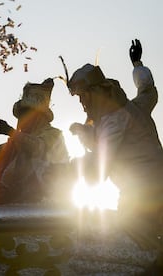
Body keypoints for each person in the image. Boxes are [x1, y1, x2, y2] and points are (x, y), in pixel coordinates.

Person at [68, 39, 163, 254]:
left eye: (83, 96)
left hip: (142, 195)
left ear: (96, 93)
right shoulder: (133, 107)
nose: (82, 103)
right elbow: (148, 91)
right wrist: (137, 64)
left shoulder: (113, 122)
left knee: (127, 242)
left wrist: (67, 170)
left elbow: (99, 168)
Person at [0, 78, 70, 275]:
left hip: (41, 192)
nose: (22, 119)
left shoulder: (53, 135)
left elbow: (38, 149)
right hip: (11, 190)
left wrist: (12, 133)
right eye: (21, 115)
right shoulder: (19, 137)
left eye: (26, 114)